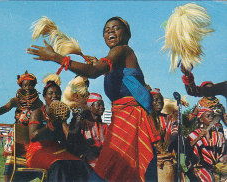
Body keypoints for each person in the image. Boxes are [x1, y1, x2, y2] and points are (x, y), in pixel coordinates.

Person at [27, 16, 160, 182]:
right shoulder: (118, 56)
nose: (110, 31)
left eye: (115, 28)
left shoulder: (122, 50)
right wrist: (101, 66)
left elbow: (93, 72)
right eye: (106, 30)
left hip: (131, 120)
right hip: (125, 118)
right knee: (120, 170)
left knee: (110, 168)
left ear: (126, 34)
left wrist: (56, 57)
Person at [27, 80, 92, 181]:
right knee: (58, 165)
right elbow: (33, 136)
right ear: (44, 97)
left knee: (82, 165)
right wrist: (51, 125)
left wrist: (76, 118)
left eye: (57, 93)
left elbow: (68, 138)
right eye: (50, 93)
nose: (54, 95)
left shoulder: (61, 114)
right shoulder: (38, 112)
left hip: (57, 149)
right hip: (38, 150)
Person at [0, 71, 43, 182]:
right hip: (16, 139)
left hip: (30, 140)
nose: (28, 87)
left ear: (35, 86)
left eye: (31, 85)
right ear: (21, 86)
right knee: (10, 170)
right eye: (25, 85)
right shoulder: (16, 101)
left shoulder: (39, 104)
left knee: (28, 168)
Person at [185, 107, 226, 182]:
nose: (211, 118)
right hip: (199, 167)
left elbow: (222, 151)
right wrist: (198, 138)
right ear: (201, 120)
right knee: (209, 179)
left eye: (212, 116)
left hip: (215, 166)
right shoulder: (195, 134)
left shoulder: (218, 135)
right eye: (208, 116)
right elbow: (186, 148)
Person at [67, 93, 108, 167]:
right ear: (90, 107)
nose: (102, 107)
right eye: (99, 105)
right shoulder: (82, 124)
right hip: (85, 164)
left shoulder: (104, 126)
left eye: (103, 105)